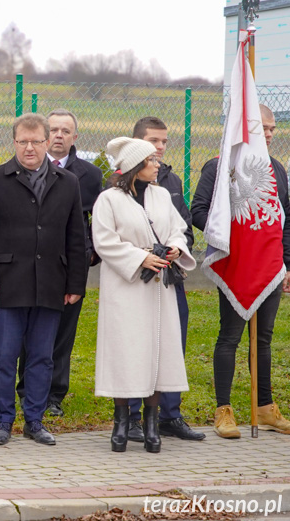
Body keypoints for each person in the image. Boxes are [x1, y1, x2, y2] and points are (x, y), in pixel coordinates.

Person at [0, 113, 86, 447]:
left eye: (36, 141)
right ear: (14, 143)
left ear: (48, 142)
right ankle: (4, 421)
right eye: (23, 141)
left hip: (51, 283)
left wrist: (75, 284)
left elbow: (75, 237)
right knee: (5, 356)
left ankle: (34, 421)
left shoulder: (68, 183)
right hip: (7, 283)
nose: (30, 148)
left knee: (41, 356)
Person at [191, 104, 290, 438]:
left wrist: (286, 262)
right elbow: (199, 210)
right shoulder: (220, 167)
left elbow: (283, 220)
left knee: (263, 338)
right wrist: (231, 241)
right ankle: (224, 410)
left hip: (271, 267)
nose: (269, 134)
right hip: (237, 266)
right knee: (230, 337)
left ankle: (264, 407)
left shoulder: (276, 169)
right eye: (261, 127)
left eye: (272, 128)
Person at [92, 137, 194, 453]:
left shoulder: (162, 195)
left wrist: (177, 247)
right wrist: (140, 258)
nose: (157, 164)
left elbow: (177, 228)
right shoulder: (108, 200)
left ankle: (152, 422)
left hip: (159, 286)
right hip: (126, 287)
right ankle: (122, 421)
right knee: (125, 351)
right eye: (150, 160)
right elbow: (104, 241)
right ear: (135, 167)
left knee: (158, 351)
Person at [15, 109, 102, 417]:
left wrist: (91, 252)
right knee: (29, 330)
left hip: (69, 265)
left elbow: (96, 220)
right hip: (31, 266)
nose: (59, 135)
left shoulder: (90, 176)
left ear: (74, 137)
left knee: (63, 332)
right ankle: (27, 390)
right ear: (43, 134)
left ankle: (54, 394)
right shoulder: (23, 169)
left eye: (66, 131)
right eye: (54, 130)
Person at [127, 117, 203, 443]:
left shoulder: (171, 181)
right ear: (137, 144)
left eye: (164, 142)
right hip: (136, 283)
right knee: (134, 348)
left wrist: (176, 248)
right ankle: (130, 416)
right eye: (153, 141)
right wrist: (145, 254)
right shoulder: (119, 187)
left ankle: (170, 415)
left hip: (170, 281)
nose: (160, 147)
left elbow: (185, 228)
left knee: (172, 346)